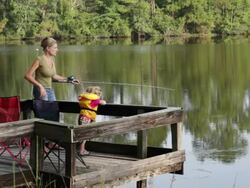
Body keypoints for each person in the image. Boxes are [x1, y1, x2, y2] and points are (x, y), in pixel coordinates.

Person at [24, 37, 79, 101]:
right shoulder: (39, 59)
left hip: (49, 90)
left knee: (54, 110)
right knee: (46, 110)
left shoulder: (52, 59)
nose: (57, 50)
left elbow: (54, 76)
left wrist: (68, 79)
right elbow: (27, 76)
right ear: (48, 48)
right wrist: (40, 86)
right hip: (40, 90)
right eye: (55, 48)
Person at [78, 86, 106, 155]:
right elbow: (103, 103)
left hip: (82, 116)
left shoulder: (84, 99)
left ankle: (82, 149)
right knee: (85, 134)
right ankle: (81, 150)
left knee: (83, 133)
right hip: (87, 117)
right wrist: (101, 100)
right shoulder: (95, 100)